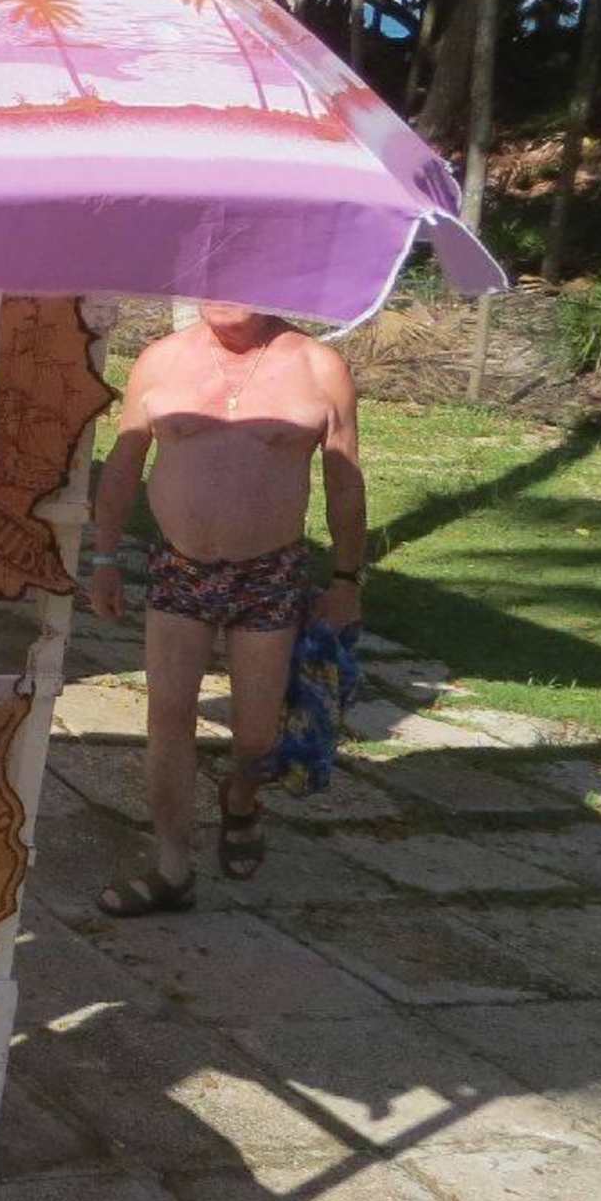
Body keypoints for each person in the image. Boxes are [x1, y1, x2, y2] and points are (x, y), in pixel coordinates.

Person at [87, 302, 365, 916]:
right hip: (179, 568)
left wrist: (346, 579)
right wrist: (103, 557)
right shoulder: (161, 360)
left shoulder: (319, 367)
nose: (223, 293)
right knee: (168, 717)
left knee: (257, 735)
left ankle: (241, 797)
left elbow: (345, 480)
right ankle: (171, 867)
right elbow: (125, 463)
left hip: (270, 573)